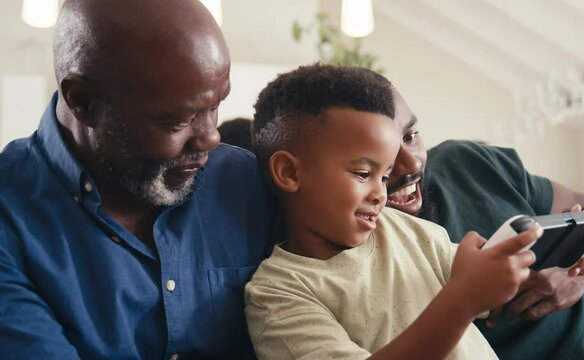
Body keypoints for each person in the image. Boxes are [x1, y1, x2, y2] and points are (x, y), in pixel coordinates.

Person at [0, 0, 275, 358]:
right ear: (82, 101)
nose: (211, 137)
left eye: (216, 105)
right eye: (176, 121)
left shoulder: (247, 184)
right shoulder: (10, 215)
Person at [245, 63, 541, 359]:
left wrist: (555, 262)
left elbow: (486, 285)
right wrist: (461, 302)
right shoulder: (278, 293)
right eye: (363, 173)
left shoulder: (407, 231)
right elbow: (466, 294)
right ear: (289, 173)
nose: (380, 193)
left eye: (384, 177)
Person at [386, 90, 584, 359]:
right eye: (385, 149)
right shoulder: (355, 264)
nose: (411, 163)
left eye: (410, 136)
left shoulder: (465, 161)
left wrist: (580, 276)